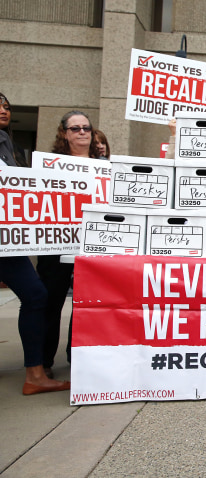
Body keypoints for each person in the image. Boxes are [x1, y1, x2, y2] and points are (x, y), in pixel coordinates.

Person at [0, 93, 70, 395]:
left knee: (35, 295)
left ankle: (35, 373)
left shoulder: (10, 148)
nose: (3, 110)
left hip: (6, 242)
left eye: (6, 106)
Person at [38, 110, 98, 375]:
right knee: (50, 301)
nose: (82, 132)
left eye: (86, 128)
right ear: (64, 133)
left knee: (86, 305)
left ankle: (78, 358)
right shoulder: (49, 165)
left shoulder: (104, 164)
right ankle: (43, 361)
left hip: (92, 243)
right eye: (75, 128)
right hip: (57, 244)